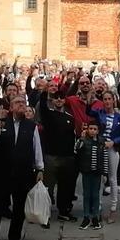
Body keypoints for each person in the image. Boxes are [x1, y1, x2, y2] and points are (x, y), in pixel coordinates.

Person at [0, 96, 43, 240]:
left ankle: (14, 237)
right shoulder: (2, 122)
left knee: (19, 207)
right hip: (1, 172)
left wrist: (40, 168)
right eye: (17, 103)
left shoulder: (31, 126)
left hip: (23, 172)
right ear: (11, 107)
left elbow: (36, 148)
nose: (21, 105)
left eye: (23, 103)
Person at [38, 92, 79, 222]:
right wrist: (45, 92)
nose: (59, 100)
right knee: (48, 186)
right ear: (52, 100)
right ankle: (45, 211)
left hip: (67, 156)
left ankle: (64, 210)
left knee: (65, 186)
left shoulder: (70, 118)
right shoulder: (49, 114)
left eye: (61, 98)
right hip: (52, 156)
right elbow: (42, 108)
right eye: (56, 98)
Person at [89, 91, 120, 222]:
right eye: (105, 99)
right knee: (99, 177)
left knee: (112, 178)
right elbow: (88, 111)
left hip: (112, 149)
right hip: (100, 148)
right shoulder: (99, 113)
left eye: (109, 99)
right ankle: (98, 207)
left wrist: (114, 142)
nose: (107, 101)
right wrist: (90, 98)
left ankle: (113, 209)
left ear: (113, 100)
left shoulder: (119, 117)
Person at [76, 123, 109, 230]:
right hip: (86, 172)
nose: (92, 131)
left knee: (95, 195)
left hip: (97, 173)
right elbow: (76, 149)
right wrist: (81, 137)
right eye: (90, 129)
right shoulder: (83, 141)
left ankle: (95, 216)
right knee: (86, 194)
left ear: (98, 131)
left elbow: (105, 157)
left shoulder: (101, 141)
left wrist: (105, 173)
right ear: (87, 130)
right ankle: (86, 216)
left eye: (95, 129)